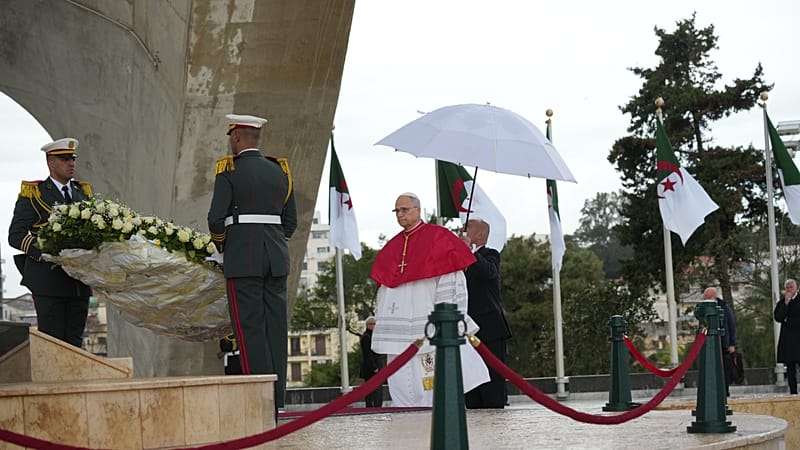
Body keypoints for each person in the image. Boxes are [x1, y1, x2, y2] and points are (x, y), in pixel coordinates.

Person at [207, 114, 298, 412]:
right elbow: (290, 223)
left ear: (236, 137)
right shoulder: (280, 170)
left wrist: (224, 246)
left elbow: (215, 220)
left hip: (243, 259)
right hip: (276, 259)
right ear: (256, 138)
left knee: (249, 329)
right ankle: (279, 401)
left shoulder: (229, 170)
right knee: (275, 328)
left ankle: (260, 401)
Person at [370, 192, 490, 407]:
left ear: (418, 210)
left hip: (428, 324)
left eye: (404, 209)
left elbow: (452, 280)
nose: (400, 214)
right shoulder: (392, 247)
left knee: (431, 384)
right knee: (401, 379)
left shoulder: (439, 238)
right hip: (400, 331)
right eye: (396, 211)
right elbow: (384, 289)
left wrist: (447, 318)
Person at [8, 138, 93, 348]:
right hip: (48, 280)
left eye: (73, 159)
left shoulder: (83, 193)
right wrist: (45, 250)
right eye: (64, 159)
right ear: (50, 162)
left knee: (75, 344)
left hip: (78, 284)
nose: (71, 163)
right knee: (53, 344)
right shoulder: (34, 194)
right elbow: (15, 235)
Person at [461, 218, 512, 408]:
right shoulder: (460, 260)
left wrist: (468, 251)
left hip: (490, 328)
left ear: (480, 234)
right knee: (471, 380)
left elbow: (489, 272)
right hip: (466, 328)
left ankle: (494, 416)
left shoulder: (490, 255)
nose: (462, 230)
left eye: (468, 228)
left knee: (492, 379)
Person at [703, 287, 737, 396]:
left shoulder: (724, 307)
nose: (705, 299)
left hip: (723, 343)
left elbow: (731, 325)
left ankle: (725, 391)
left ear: (713, 297)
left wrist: (732, 343)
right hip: (709, 344)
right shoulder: (704, 308)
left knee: (724, 369)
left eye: (707, 297)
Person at [775, 278, 800, 395]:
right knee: (790, 368)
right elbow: (778, 317)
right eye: (787, 288)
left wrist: (790, 320)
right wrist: (786, 304)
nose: (789, 290)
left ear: (796, 288)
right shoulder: (782, 302)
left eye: (791, 287)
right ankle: (793, 392)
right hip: (788, 340)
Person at [360, 316, 384, 407]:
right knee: (371, 389)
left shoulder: (374, 336)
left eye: (375, 324)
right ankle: (371, 406)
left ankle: (377, 406)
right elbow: (367, 354)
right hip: (370, 368)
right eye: (372, 324)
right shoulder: (366, 337)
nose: (374, 326)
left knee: (377, 389)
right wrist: (374, 367)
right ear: (367, 325)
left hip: (376, 365)